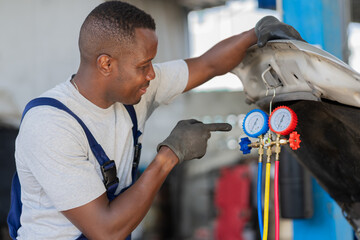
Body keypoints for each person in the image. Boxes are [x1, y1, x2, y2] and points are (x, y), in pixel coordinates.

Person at [11, 1, 303, 239]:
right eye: (143, 66)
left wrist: (256, 33)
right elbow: (106, 230)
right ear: (106, 64)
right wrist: (170, 154)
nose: (152, 75)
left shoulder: (135, 91)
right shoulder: (50, 125)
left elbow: (209, 64)